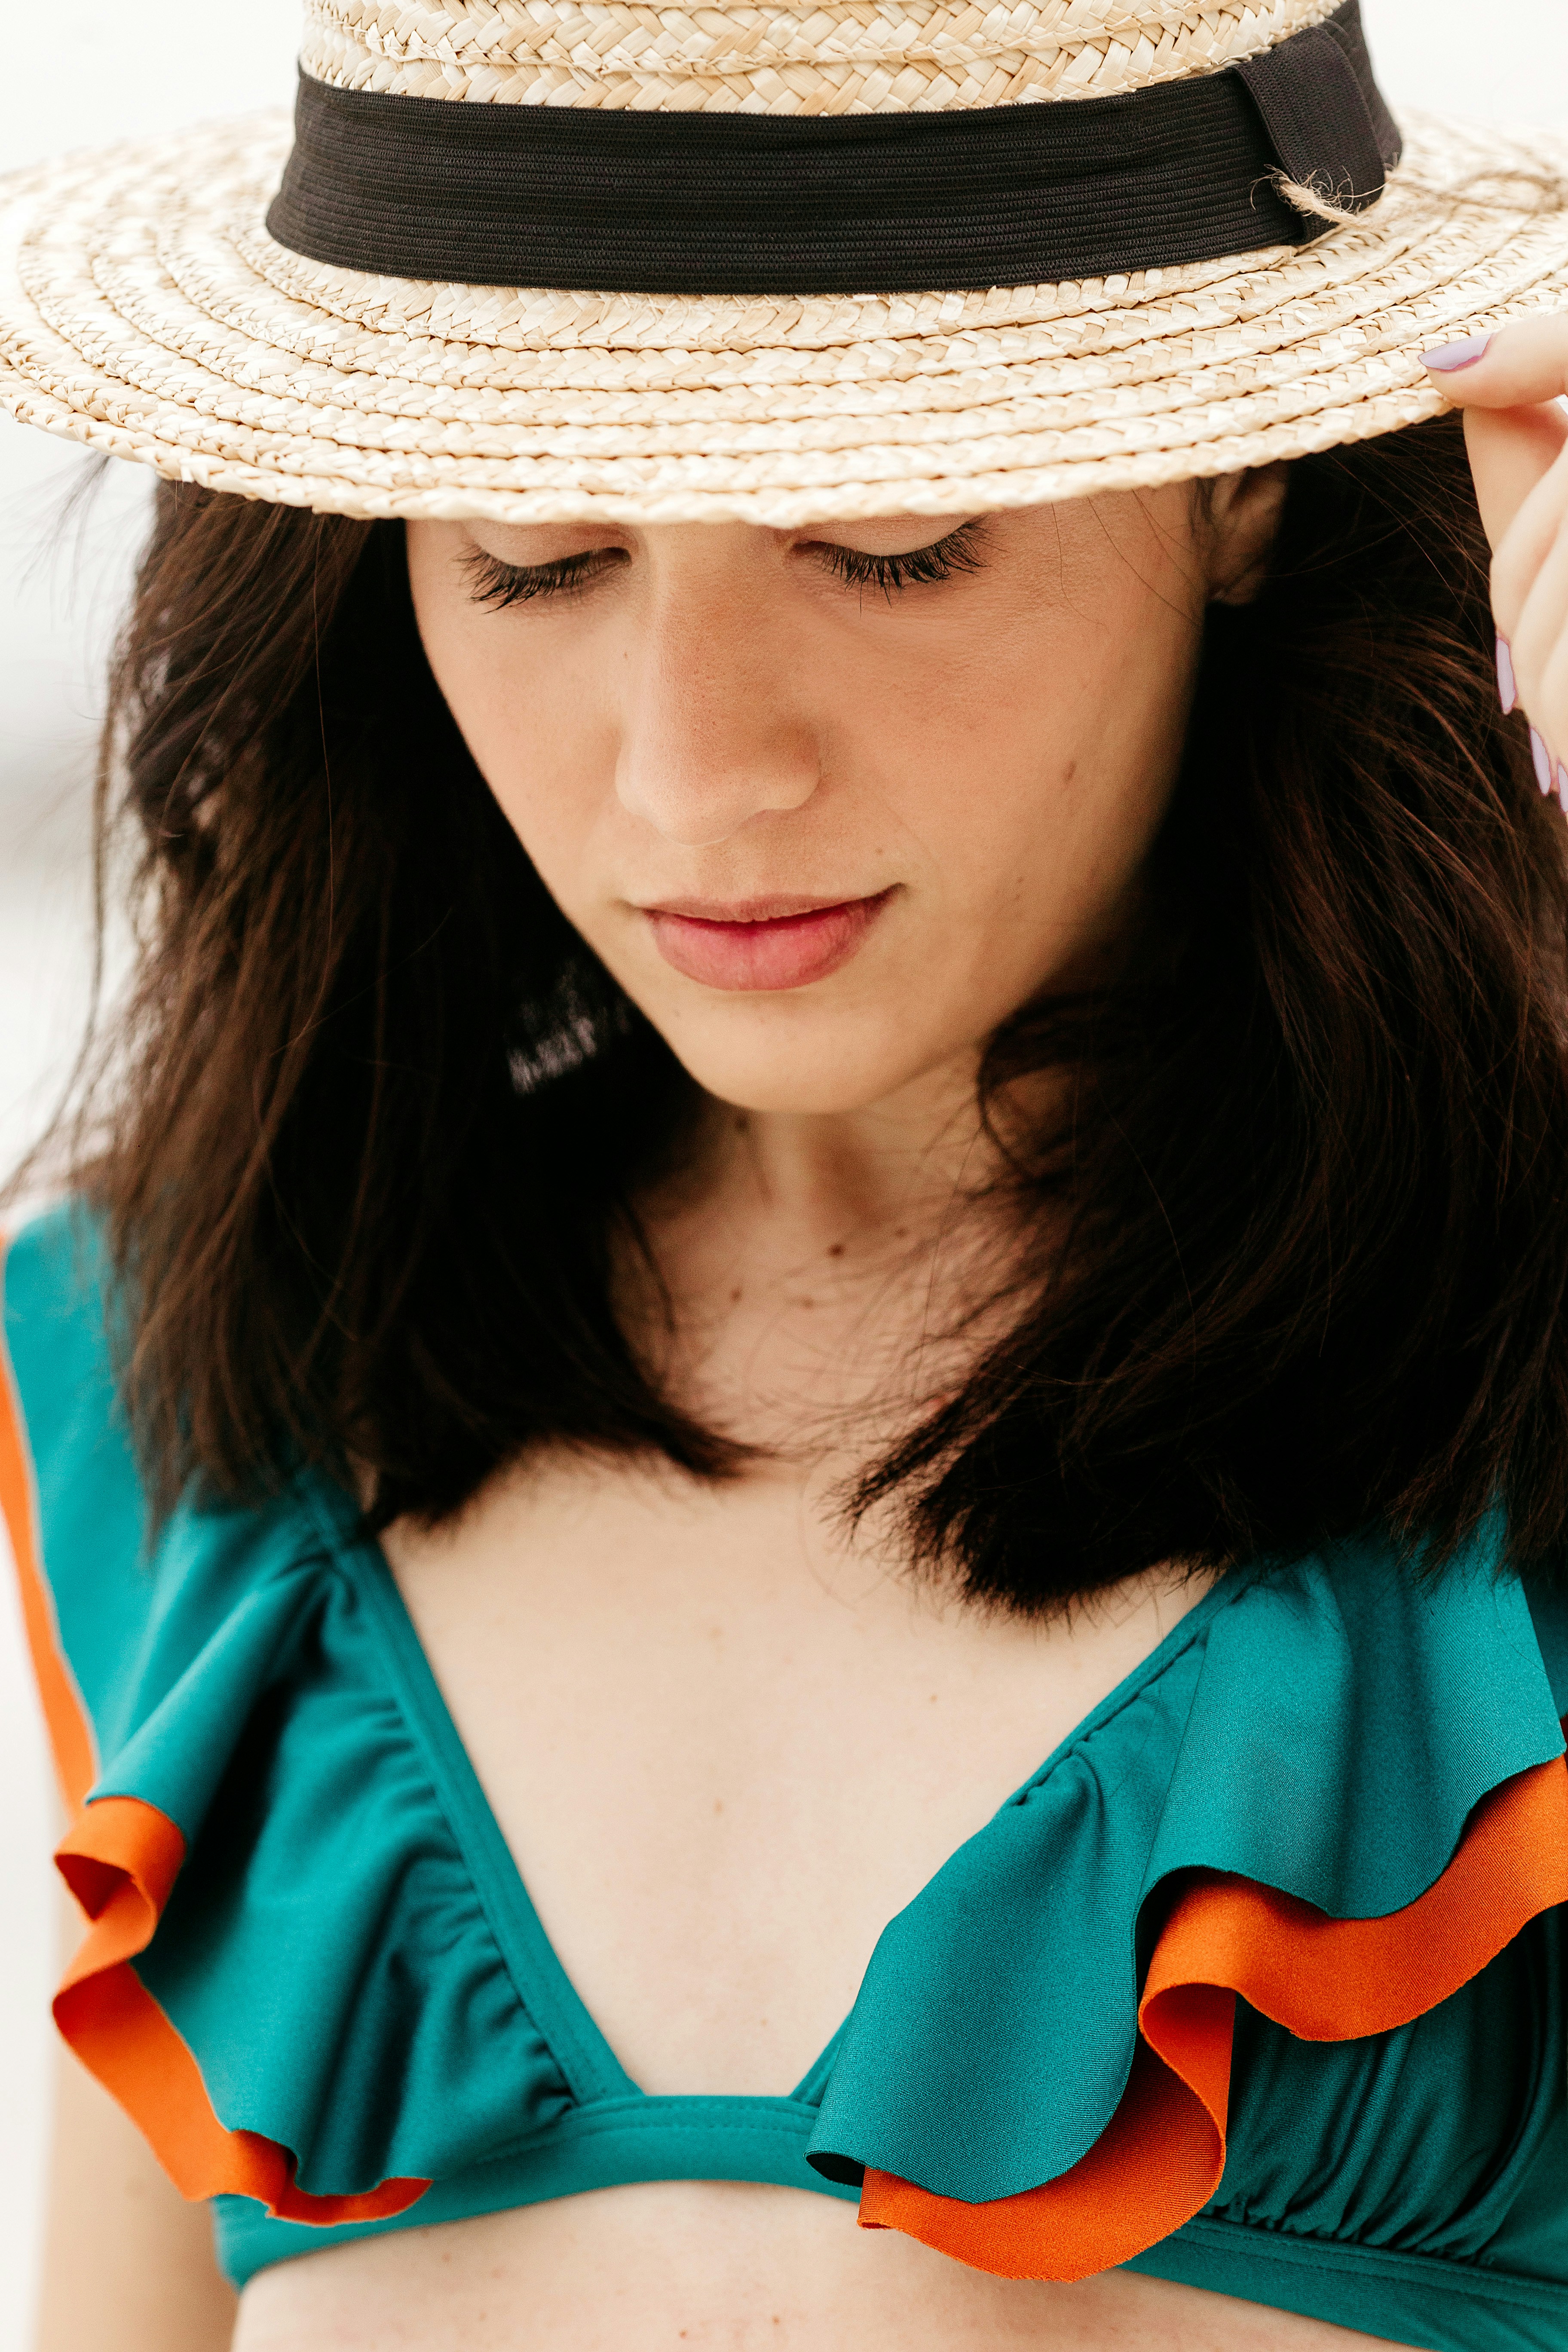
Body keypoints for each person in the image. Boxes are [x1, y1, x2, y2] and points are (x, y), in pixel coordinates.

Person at [4, 1, 1568, 2346]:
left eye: (889, 542)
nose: (692, 777)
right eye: (537, 557)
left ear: (1251, 479)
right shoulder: (196, 1381)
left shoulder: (1525, 1368)